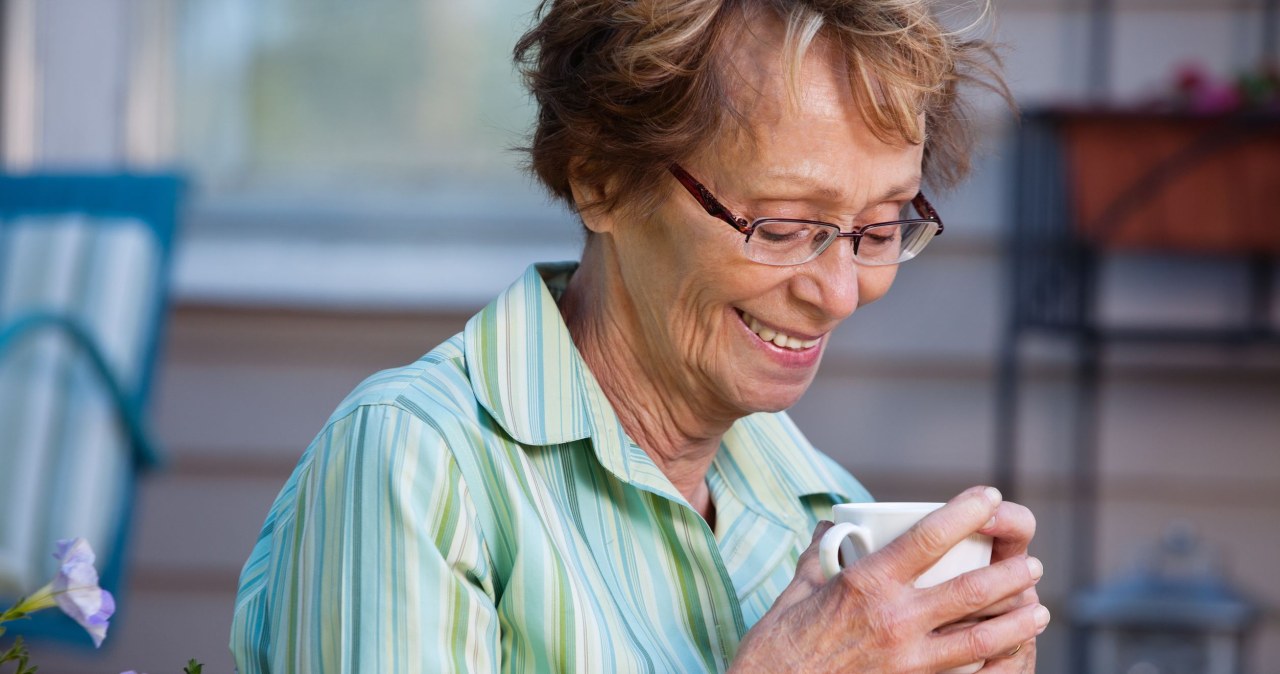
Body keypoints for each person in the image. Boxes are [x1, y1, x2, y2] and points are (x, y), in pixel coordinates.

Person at [231, 0, 1046, 671]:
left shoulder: (827, 513)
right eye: (783, 225)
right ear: (603, 179)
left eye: (877, 227)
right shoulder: (417, 465)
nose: (838, 293)